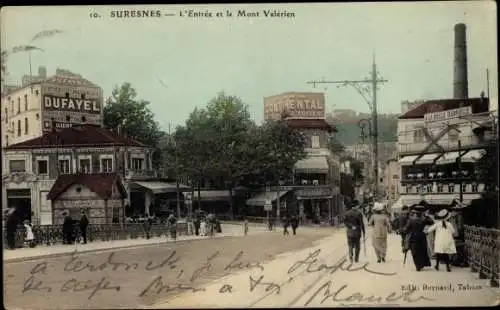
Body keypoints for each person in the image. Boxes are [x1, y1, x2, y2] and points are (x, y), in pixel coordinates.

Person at [403, 206, 434, 271]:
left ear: (415, 213)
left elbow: (406, 229)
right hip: (422, 237)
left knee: (415, 252)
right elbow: (432, 222)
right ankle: (421, 264)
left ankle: (418, 266)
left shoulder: (411, 220)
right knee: (422, 251)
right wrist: (426, 216)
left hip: (414, 237)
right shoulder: (424, 219)